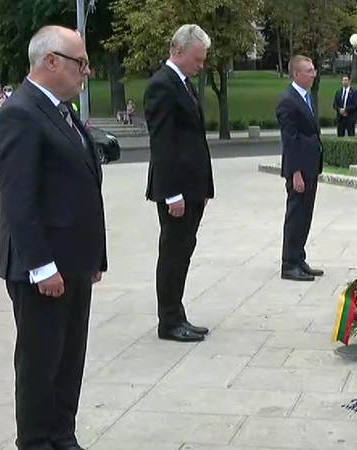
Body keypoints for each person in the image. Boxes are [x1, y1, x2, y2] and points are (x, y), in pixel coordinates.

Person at [0, 25, 106, 450]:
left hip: (73, 262)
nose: (87, 72)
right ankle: (37, 440)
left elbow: (83, 187)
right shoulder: (20, 113)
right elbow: (19, 201)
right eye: (81, 63)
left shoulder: (62, 112)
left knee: (69, 360)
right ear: (51, 61)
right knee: (40, 365)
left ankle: (62, 435)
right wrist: (41, 266)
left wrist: (94, 257)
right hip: (42, 268)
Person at [143, 24, 215, 342]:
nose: (201, 65)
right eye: (197, 59)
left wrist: (204, 186)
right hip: (176, 190)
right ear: (178, 51)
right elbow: (163, 143)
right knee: (173, 253)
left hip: (192, 187)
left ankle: (177, 314)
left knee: (183, 251)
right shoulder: (162, 85)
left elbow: (193, 139)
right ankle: (169, 321)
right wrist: (172, 193)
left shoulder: (183, 84)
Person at [276, 55, 324, 282]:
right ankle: (289, 264)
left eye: (313, 70)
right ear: (296, 74)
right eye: (309, 71)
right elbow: (290, 139)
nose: (314, 74)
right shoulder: (288, 101)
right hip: (299, 169)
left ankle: (299, 258)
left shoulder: (306, 97)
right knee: (296, 215)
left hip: (310, 165)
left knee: (306, 215)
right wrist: (295, 173)